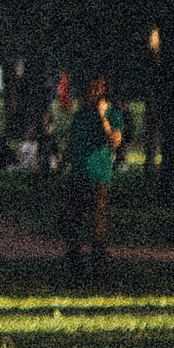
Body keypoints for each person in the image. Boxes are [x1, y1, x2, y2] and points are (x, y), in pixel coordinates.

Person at [61, 72, 124, 280]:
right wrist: (61, 166)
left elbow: (114, 142)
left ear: (104, 90)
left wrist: (103, 117)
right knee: (71, 223)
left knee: (97, 225)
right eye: (90, 88)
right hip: (77, 174)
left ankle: (99, 269)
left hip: (99, 177)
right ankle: (76, 267)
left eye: (96, 88)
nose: (92, 92)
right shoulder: (80, 115)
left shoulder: (114, 114)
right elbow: (71, 143)